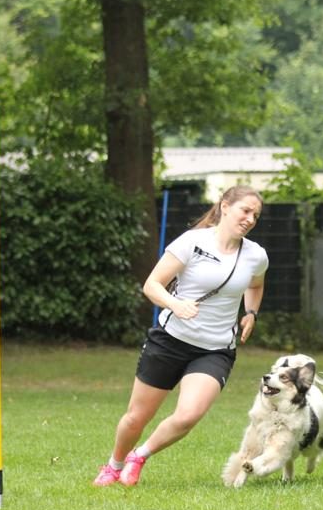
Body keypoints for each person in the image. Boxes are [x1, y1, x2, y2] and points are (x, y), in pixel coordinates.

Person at [93, 184, 268, 487]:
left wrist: (251, 312)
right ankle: (114, 465)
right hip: (170, 341)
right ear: (225, 206)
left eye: (256, 215)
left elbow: (255, 284)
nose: (250, 219)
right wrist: (175, 304)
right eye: (246, 211)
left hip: (215, 349)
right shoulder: (192, 242)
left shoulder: (256, 255)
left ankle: (139, 456)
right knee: (136, 417)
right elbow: (152, 285)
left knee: (188, 416)